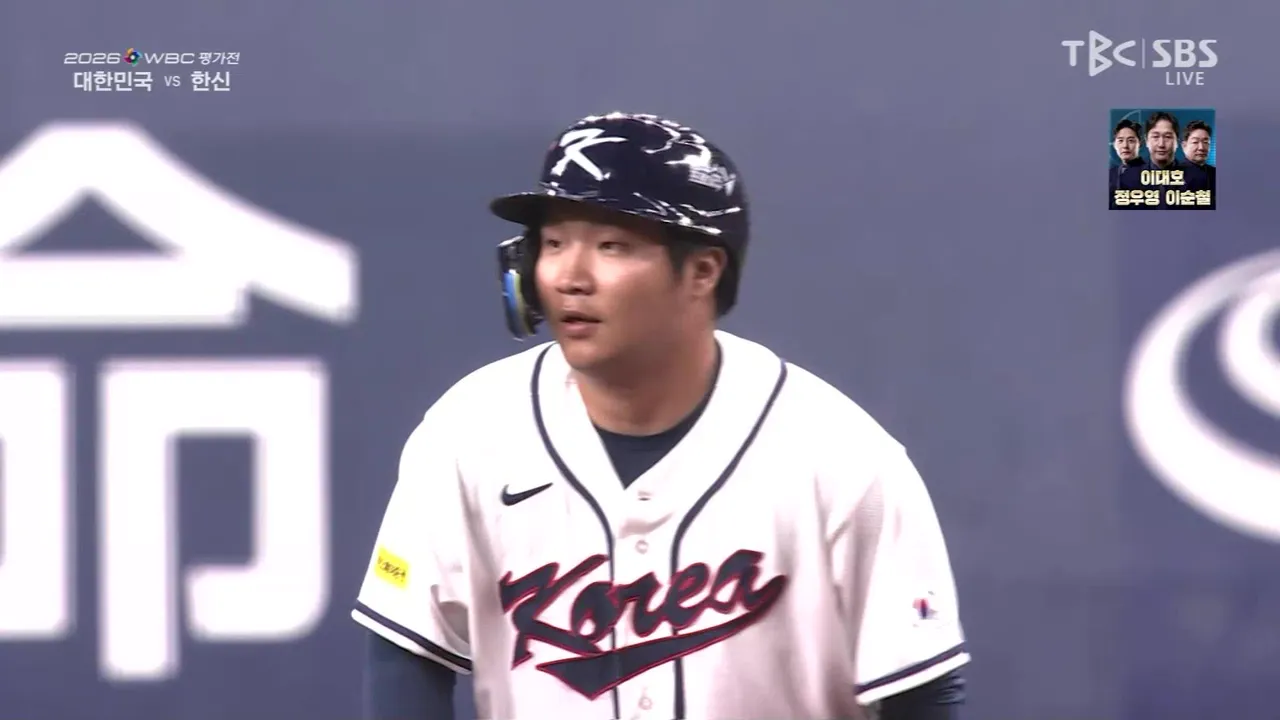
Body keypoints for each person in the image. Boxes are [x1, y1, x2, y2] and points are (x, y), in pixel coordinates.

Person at [353, 112, 970, 720]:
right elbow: (406, 657)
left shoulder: (843, 461)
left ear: (702, 270)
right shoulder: (469, 432)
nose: (570, 277)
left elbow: (921, 694)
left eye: (611, 246)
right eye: (554, 243)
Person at [1109, 118, 1144, 195]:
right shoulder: (1110, 174)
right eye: (1120, 141)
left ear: (1140, 143)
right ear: (1114, 145)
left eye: (1131, 141)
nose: (1125, 146)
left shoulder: (1149, 173)